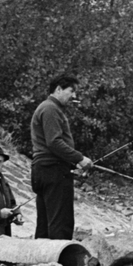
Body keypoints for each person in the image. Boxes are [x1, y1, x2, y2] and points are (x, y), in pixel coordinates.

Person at [29, 72, 92, 240]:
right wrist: (80, 158)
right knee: (61, 222)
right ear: (58, 89)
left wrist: (73, 164)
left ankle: (42, 255)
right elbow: (54, 142)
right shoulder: (51, 108)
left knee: (45, 223)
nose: (74, 96)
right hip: (53, 171)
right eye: (71, 91)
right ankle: (60, 256)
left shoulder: (47, 107)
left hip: (44, 170)